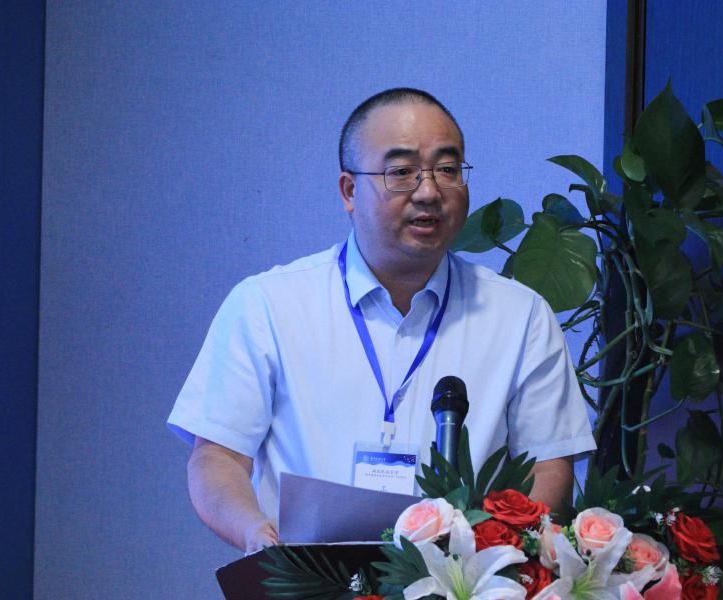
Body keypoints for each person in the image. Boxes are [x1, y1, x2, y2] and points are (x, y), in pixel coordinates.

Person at [167, 88, 595, 554]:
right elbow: (217, 456)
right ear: (349, 191)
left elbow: (547, 466)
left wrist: (502, 558)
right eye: (402, 172)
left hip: (461, 580)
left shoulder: (521, 316)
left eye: (447, 169)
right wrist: (254, 533)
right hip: (309, 577)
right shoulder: (267, 305)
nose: (429, 192)